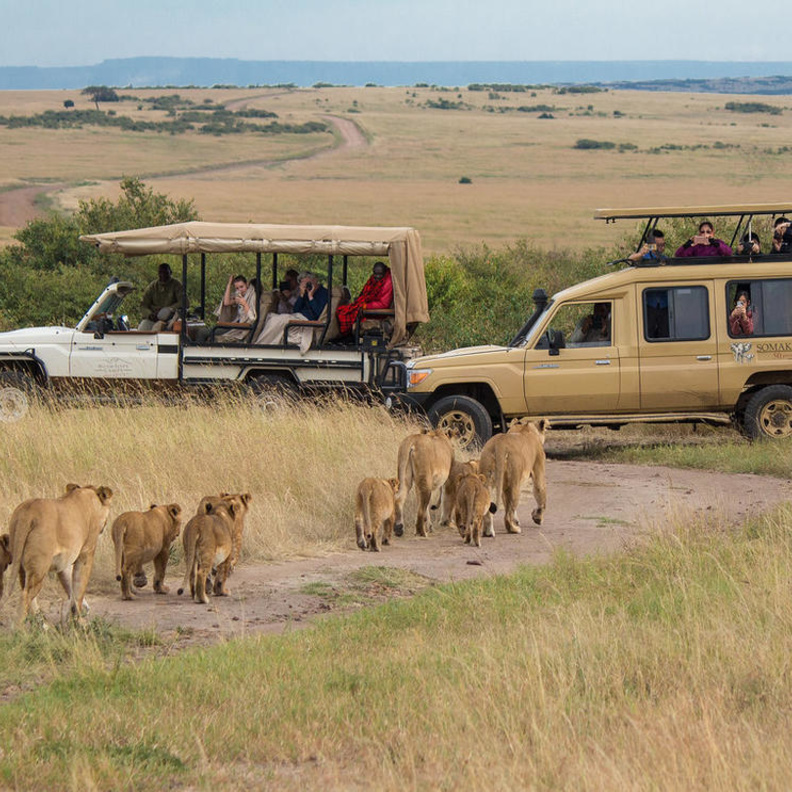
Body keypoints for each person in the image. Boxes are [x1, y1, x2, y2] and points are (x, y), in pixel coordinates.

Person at [254, 271, 329, 352]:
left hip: (307, 320)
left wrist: (311, 297)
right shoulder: (305, 292)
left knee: (280, 319)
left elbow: (318, 312)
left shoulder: (324, 293)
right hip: (297, 316)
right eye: (303, 284)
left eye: (308, 283)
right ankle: (263, 343)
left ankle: (261, 346)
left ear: (314, 280)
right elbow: (296, 309)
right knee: (272, 316)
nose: (307, 286)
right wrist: (301, 295)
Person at [336, 261, 394, 337]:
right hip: (370, 309)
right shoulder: (373, 279)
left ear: (384, 272)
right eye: (375, 274)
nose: (377, 276)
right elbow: (366, 293)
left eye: (379, 274)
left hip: (378, 313)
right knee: (343, 311)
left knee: (349, 315)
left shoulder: (387, 282)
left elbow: (383, 304)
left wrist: (366, 306)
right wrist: (360, 301)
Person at [196, 274, 257, 343]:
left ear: (247, 285)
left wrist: (244, 304)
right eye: (237, 288)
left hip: (240, 328)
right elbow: (226, 302)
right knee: (202, 332)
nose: (240, 290)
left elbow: (252, 318)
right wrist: (229, 284)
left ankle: (197, 353)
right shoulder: (240, 296)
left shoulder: (251, 297)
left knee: (202, 332)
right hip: (234, 325)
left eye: (241, 287)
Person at [138, 263, 182, 331]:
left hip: (171, 319)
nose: (163, 275)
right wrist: (150, 315)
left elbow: (184, 302)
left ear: (170, 272)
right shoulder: (153, 286)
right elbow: (143, 305)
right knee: (142, 329)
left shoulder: (176, 285)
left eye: (166, 273)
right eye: (160, 272)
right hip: (154, 318)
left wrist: (170, 309)